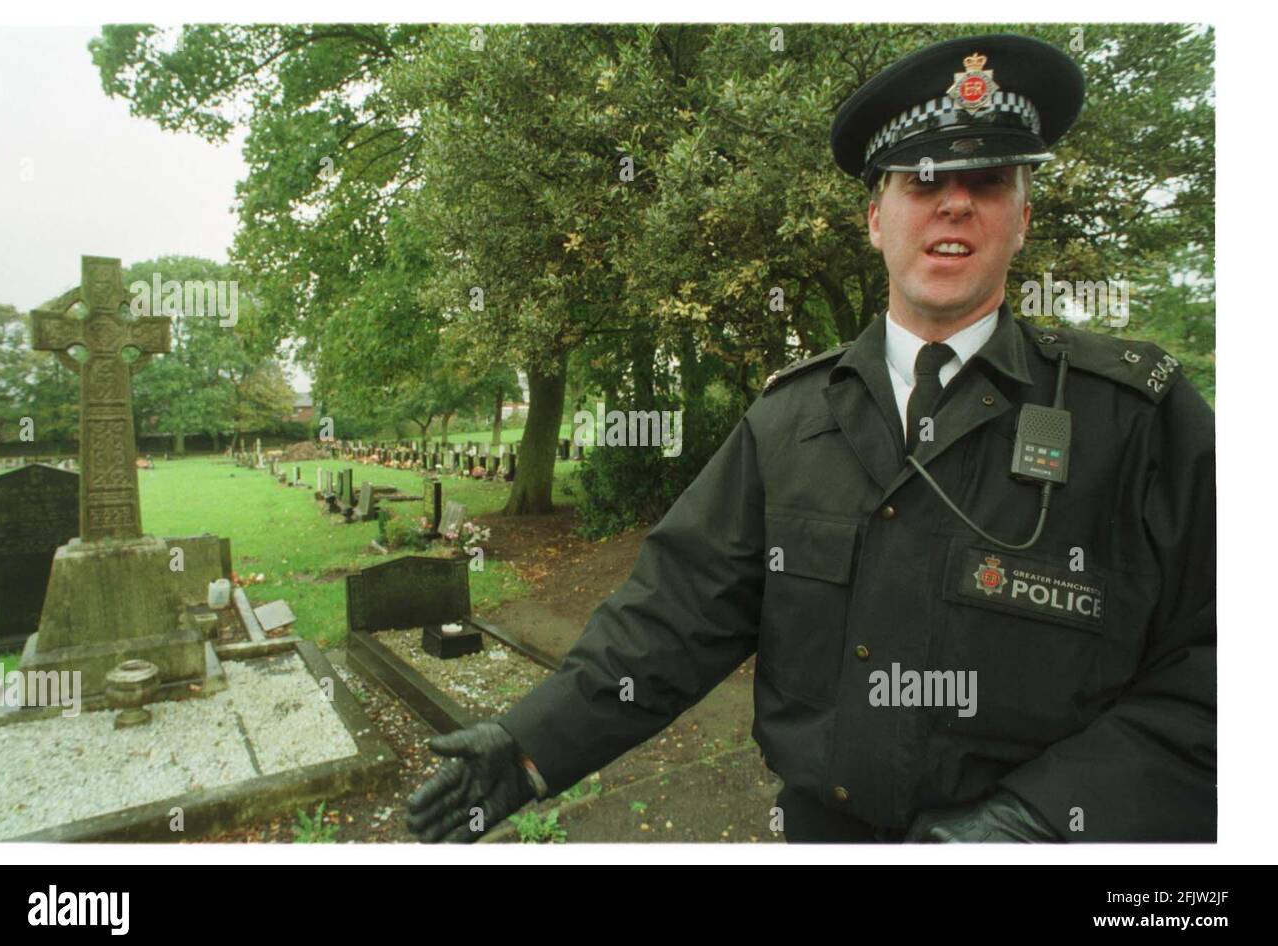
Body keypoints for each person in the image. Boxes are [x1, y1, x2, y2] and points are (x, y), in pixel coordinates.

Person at [406, 33, 1215, 844]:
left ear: (1023, 218)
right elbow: (675, 615)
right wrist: (529, 749)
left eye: (988, 181)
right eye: (923, 179)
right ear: (875, 217)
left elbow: (1220, 669)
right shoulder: (789, 421)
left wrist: (1037, 821)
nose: (955, 202)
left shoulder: (1136, 420)